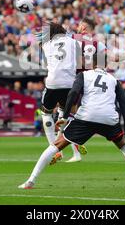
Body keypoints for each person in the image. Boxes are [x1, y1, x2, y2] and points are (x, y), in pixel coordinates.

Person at [18, 57, 125, 190]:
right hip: (109, 119)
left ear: (91, 64)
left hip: (86, 117)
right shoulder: (114, 80)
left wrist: (65, 116)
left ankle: (31, 181)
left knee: (56, 145)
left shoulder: (84, 75)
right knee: (124, 147)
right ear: (106, 65)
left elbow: (73, 93)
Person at [38, 22, 86, 163]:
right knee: (67, 114)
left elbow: (46, 62)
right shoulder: (73, 42)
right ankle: (63, 148)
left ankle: (52, 147)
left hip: (53, 82)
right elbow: (79, 63)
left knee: (46, 113)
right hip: (70, 83)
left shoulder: (46, 45)